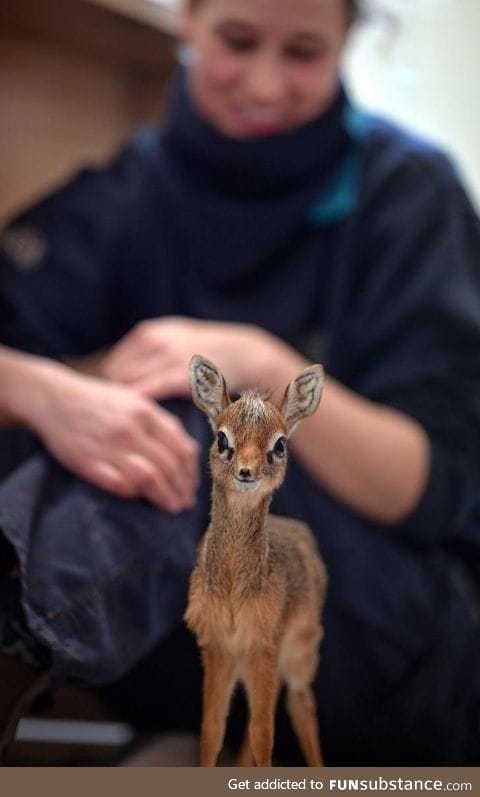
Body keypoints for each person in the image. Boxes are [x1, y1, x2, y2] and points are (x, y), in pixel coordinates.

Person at [0, 0, 480, 765]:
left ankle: (20, 632)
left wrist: (265, 361)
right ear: (189, 20)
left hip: (382, 632)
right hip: (183, 626)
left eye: (302, 54)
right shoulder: (130, 188)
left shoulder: (409, 194)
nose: (263, 82)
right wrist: (42, 391)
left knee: (220, 430)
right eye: (237, 41)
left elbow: (434, 485)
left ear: (347, 43)